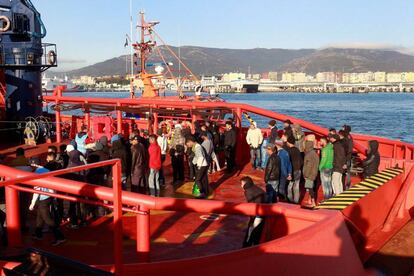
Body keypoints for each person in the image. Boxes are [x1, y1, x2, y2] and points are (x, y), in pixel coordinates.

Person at [29, 159, 66, 246]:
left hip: (43, 198)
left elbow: (36, 190)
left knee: (47, 219)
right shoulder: (48, 171)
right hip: (49, 196)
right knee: (40, 216)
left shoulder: (37, 173)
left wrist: (32, 203)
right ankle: (38, 234)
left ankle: (60, 237)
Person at [240, 176, 266, 247]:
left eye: (241, 183)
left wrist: (252, 218)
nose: (241, 185)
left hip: (258, 213)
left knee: (251, 230)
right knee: (257, 231)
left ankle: (247, 246)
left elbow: (252, 205)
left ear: (245, 183)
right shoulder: (255, 187)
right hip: (264, 211)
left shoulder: (248, 191)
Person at [286, 136, 303, 204]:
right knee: (297, 186)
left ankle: (290, 199)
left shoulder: (288, 151)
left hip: (292, 170)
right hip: (298, 170)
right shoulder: (297, 150)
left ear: (289, 142)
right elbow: (301, 161)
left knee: (290, 186)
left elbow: (288, 162)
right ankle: (296, 200)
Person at [302, 140, 319, 207]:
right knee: (312, 187)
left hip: (309, 174)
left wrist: (305, 174)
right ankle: (311, 201)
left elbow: (308, 166)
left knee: (309, 188)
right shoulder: (315, 154)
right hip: (314, 173)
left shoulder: (308, 155)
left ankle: (313, 202)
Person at [341, 125, 354, 189]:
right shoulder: (349, 137)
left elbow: (348, 150)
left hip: (346, 158)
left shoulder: (347, 138)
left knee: (345, 173)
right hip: (347, 157)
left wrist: (345, 161)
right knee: (347, 173)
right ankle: (346, 186)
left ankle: (345, 186)